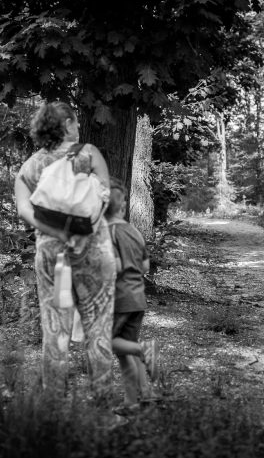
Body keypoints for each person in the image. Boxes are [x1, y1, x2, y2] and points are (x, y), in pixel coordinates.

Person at [14, 102, 116, 400]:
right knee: (98, 324)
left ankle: (55, 399)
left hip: (50, 252)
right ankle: (103, 398)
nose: (80, 127)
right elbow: (104, 199)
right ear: (69, 124)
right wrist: (81, 233)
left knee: (54, 326)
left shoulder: (30, 166)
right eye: (76, 122)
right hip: (93, 247)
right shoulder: (90, 154)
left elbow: (23, 210)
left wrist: (57, 232)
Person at [105, 179, 160, 413]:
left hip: (120, 298)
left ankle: (145, 350)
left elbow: (114, 267)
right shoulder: (134, 231)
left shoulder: (107, 232)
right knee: (124, 350)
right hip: (138, 297)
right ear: (123, 206)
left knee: (105, 342)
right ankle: (138, 399)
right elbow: (146, 266)